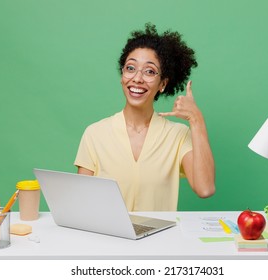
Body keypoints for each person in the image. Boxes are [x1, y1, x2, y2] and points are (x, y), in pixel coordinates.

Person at [74, 23, 215, 211]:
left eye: (149, 71)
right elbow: (81, 204)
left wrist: (197, 119)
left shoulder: (178, 136)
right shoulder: (94, 134)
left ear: (163, 84)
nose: (137, 78)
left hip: (158, 239)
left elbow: (205, 189)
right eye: (130, 68)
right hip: (106, 238)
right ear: (122, 76)